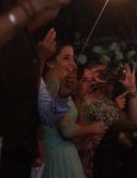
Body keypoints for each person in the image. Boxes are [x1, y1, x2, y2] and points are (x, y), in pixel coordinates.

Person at [42, 45, 107, 178]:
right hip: (58, 157)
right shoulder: (53, 87)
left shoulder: (54, 86)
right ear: (50, 62)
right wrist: (95, 128)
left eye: (73, 59)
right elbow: (67, 130)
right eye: (66, 58)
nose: (72, 63)